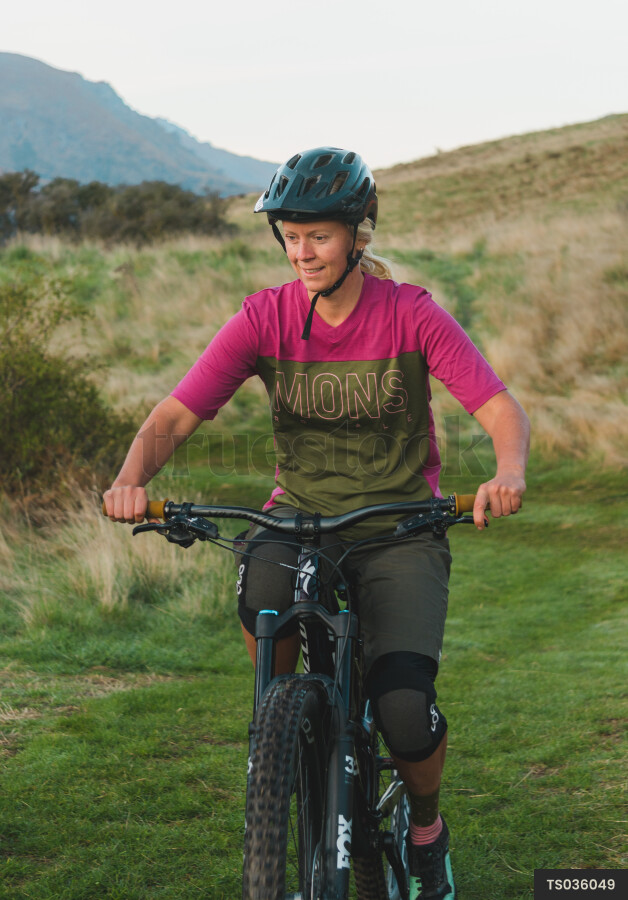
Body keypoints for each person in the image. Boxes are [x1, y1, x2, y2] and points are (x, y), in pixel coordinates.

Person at [103, 147, 529, 900]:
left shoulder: (411, 313)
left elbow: (497, 407)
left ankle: (425, 829)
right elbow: (176, 414)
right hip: (297, 518)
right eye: (291, 236)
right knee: (261, 602)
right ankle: (285, 733)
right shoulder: (264, 317)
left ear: (358, 235)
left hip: (397, 527)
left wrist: (507, 470)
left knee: (402, 708)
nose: (302, 252)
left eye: (319, 236)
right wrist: (132, 478)